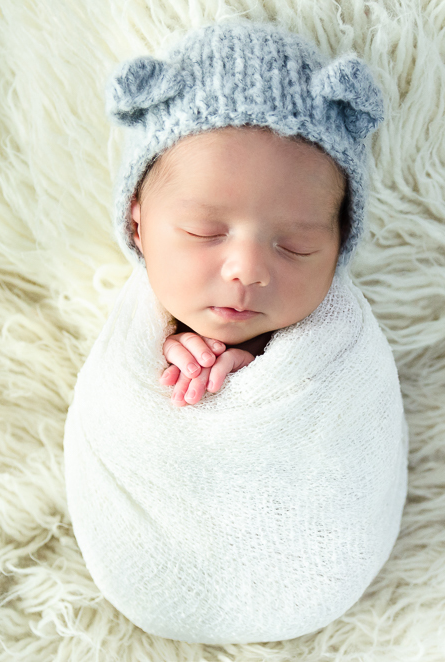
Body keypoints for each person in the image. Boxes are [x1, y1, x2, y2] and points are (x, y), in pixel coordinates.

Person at [106, 18, 384, 406]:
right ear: (138, 227)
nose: (247, 270)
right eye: (203, 232)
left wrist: (262, 367)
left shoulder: (345, 345)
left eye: (295, 245)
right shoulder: (127, 333)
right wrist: (164, 347)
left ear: (340, 242)